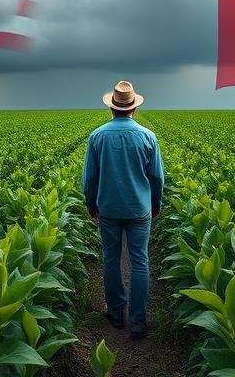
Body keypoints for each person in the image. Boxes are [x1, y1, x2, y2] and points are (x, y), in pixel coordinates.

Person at [82, 80, 165, 340]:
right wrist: (156, 204)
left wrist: (91, 203)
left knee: (111, 258)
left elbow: (90, 178)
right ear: (134, 109)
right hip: (139, 208)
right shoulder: (148, 136)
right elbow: (157, 178)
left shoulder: (97, 136)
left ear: (112, 108)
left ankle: (116, 313)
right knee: (140, 260)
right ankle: (138, 321)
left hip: (108, 207)